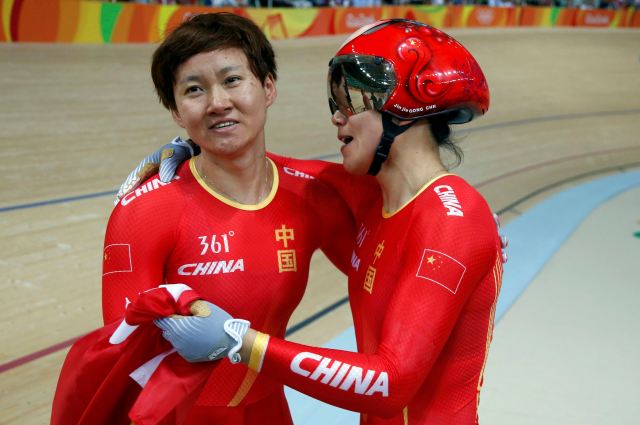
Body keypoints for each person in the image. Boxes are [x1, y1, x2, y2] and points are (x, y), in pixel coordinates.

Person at [155, 19, 503, 425]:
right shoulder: (376, 199)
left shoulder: (450, 218)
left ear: (406, 109)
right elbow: (273, 169)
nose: (337, 118)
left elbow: (391, 382)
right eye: (335, 104)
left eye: (350, 103)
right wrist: (194, 152)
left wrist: (240, 341)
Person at [101, 12, 357, 424]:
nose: (218, 103)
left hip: (269, 409)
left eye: (232, 80)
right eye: (194, 89)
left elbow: (387, 272)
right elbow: (119, 353)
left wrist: (459, 222)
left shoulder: (313, 193)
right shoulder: (144, 210)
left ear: (268, 87)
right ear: (176, 112)